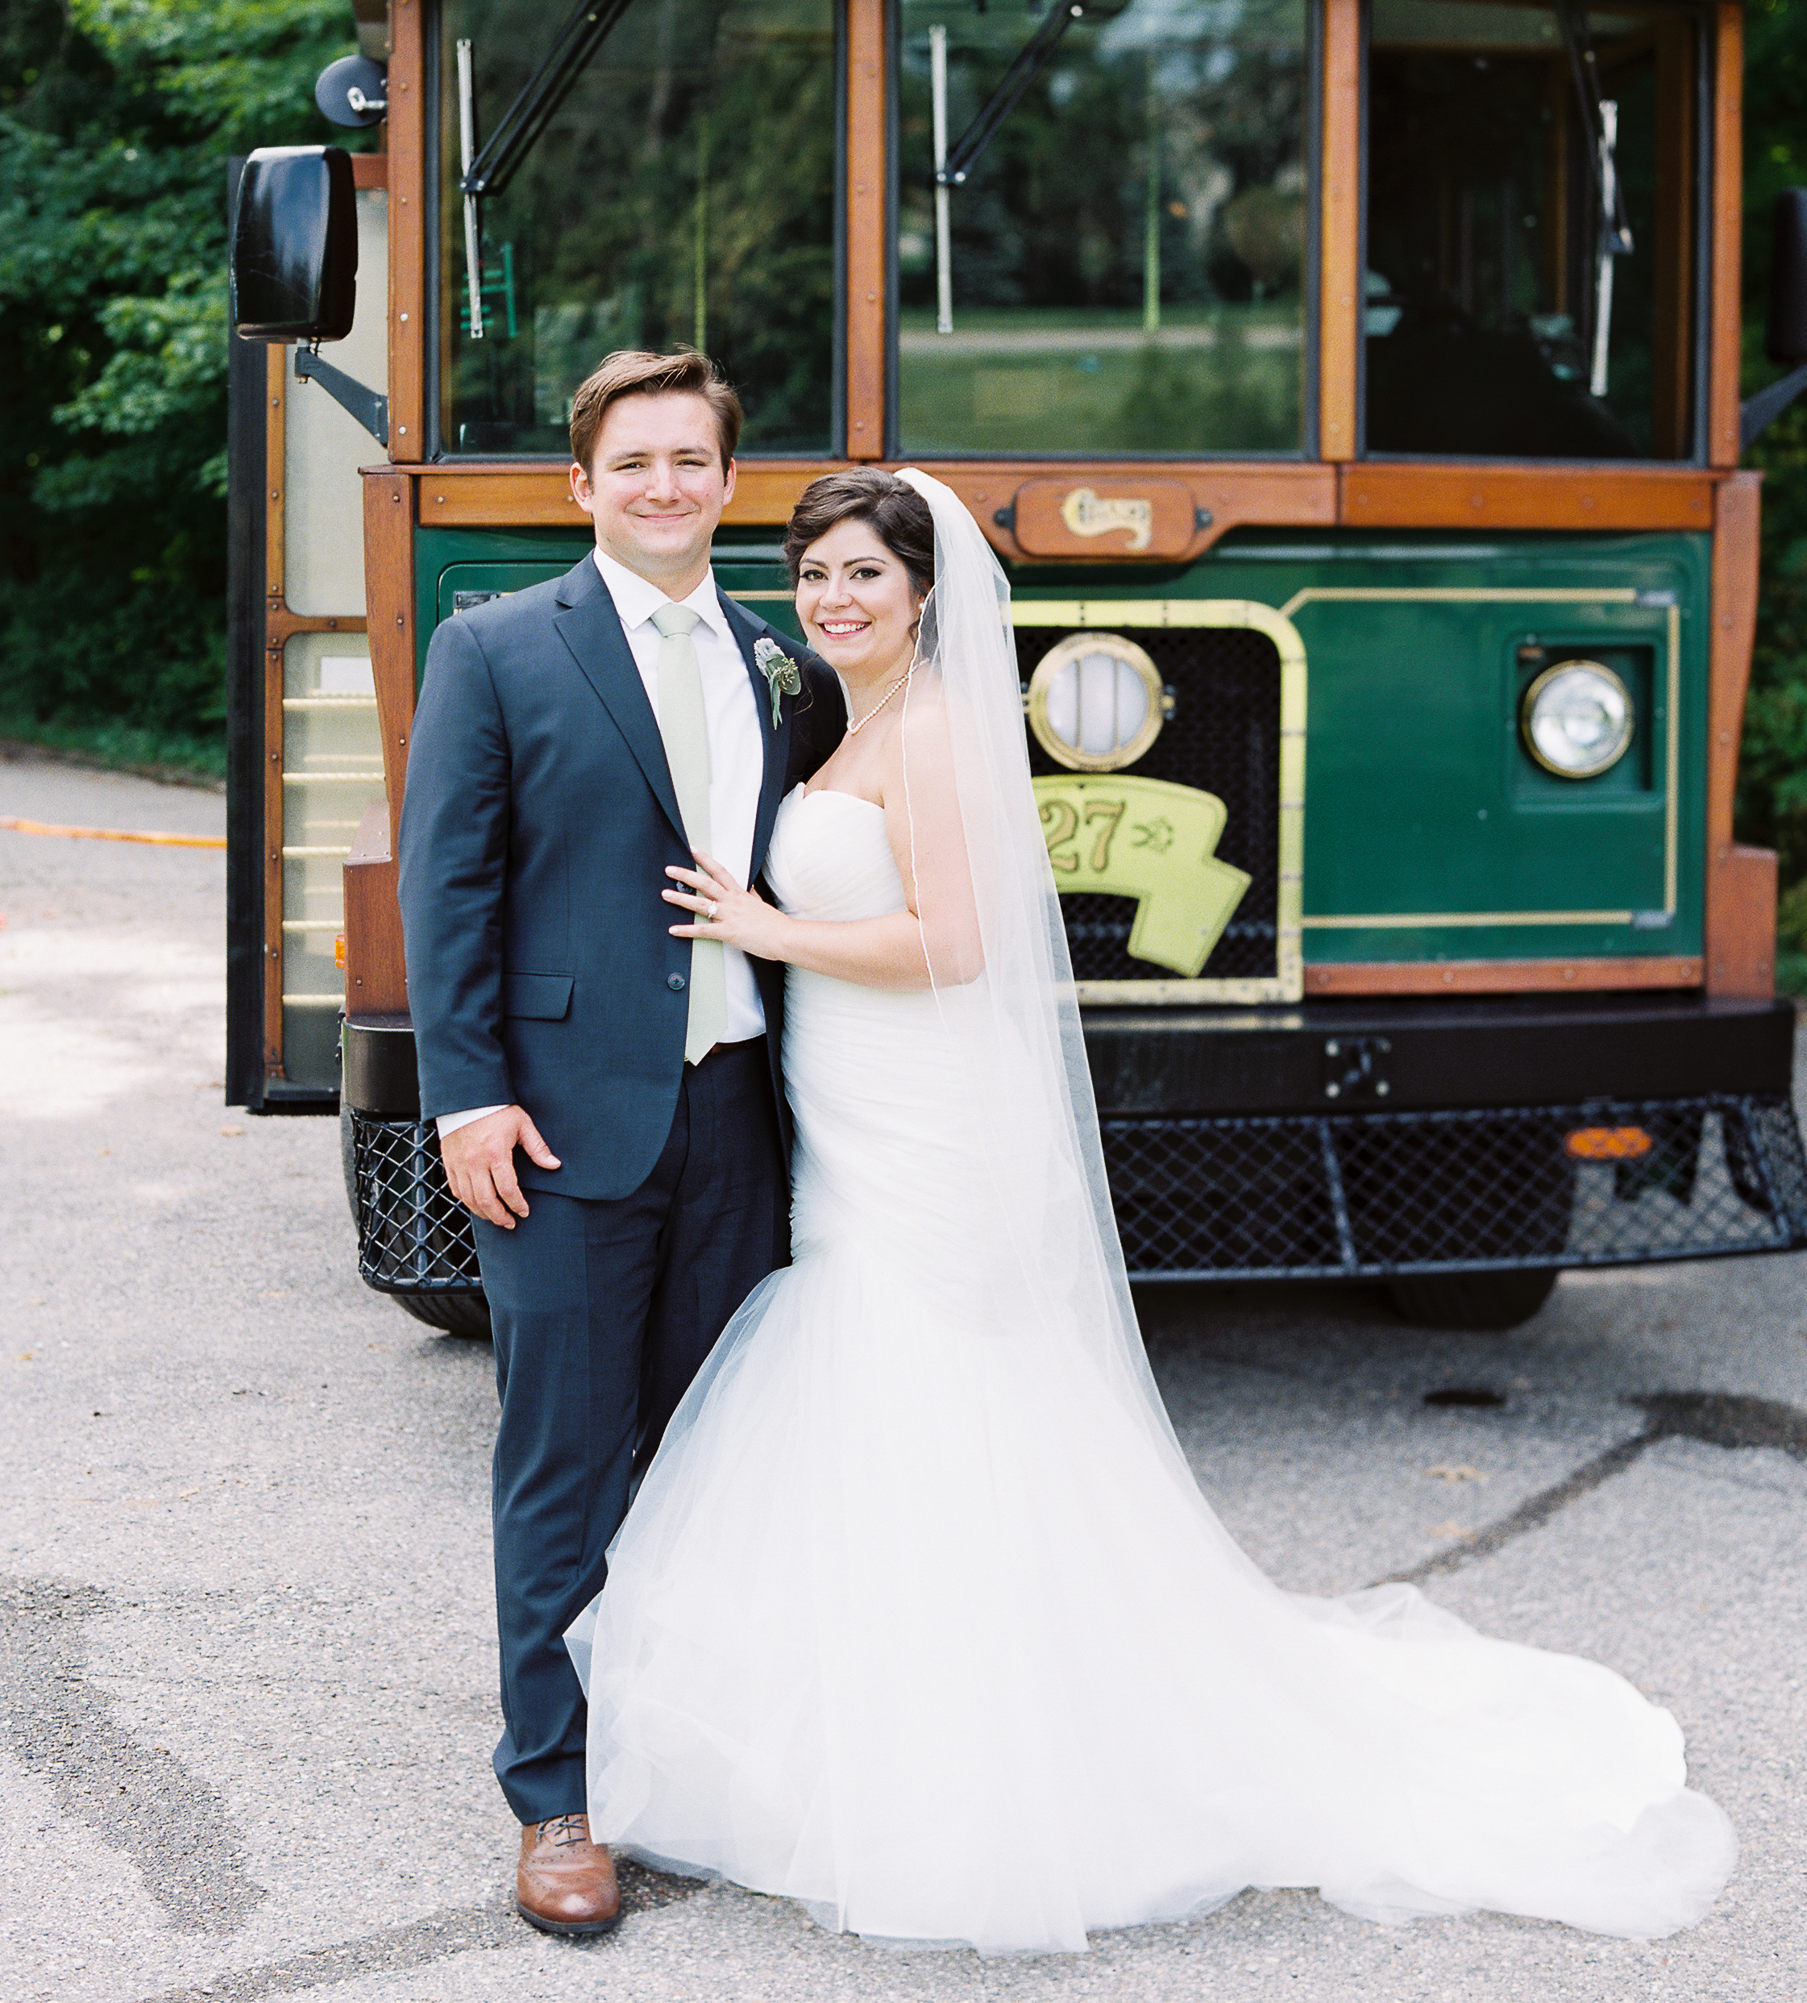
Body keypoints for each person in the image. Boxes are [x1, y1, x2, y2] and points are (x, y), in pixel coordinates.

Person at [563, 463, 1737, 1956]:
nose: (834, 602)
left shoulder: (927, 733)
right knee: (878, 1384)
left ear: (927, 592)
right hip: (852, 1100)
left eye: (863, 574)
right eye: (813, 578)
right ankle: (875, 1719)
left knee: (922, 1376)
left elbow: (955, 944)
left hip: (918, 1106)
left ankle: (969, 1757)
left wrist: (762, 924)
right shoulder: (845, 721)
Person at [396, 349, 844, 1936]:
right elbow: (445, 886)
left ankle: (690, 1768)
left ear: (732, 484)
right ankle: (559, 1796)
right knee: (564, 1464)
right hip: (561, 1123)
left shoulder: (781, 664)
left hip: (739, 1110)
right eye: (632, 463)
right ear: (584, 487)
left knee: (713, 1460)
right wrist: (467, 1094)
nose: (664, 486)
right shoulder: (499, 648)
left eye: (691, 462)